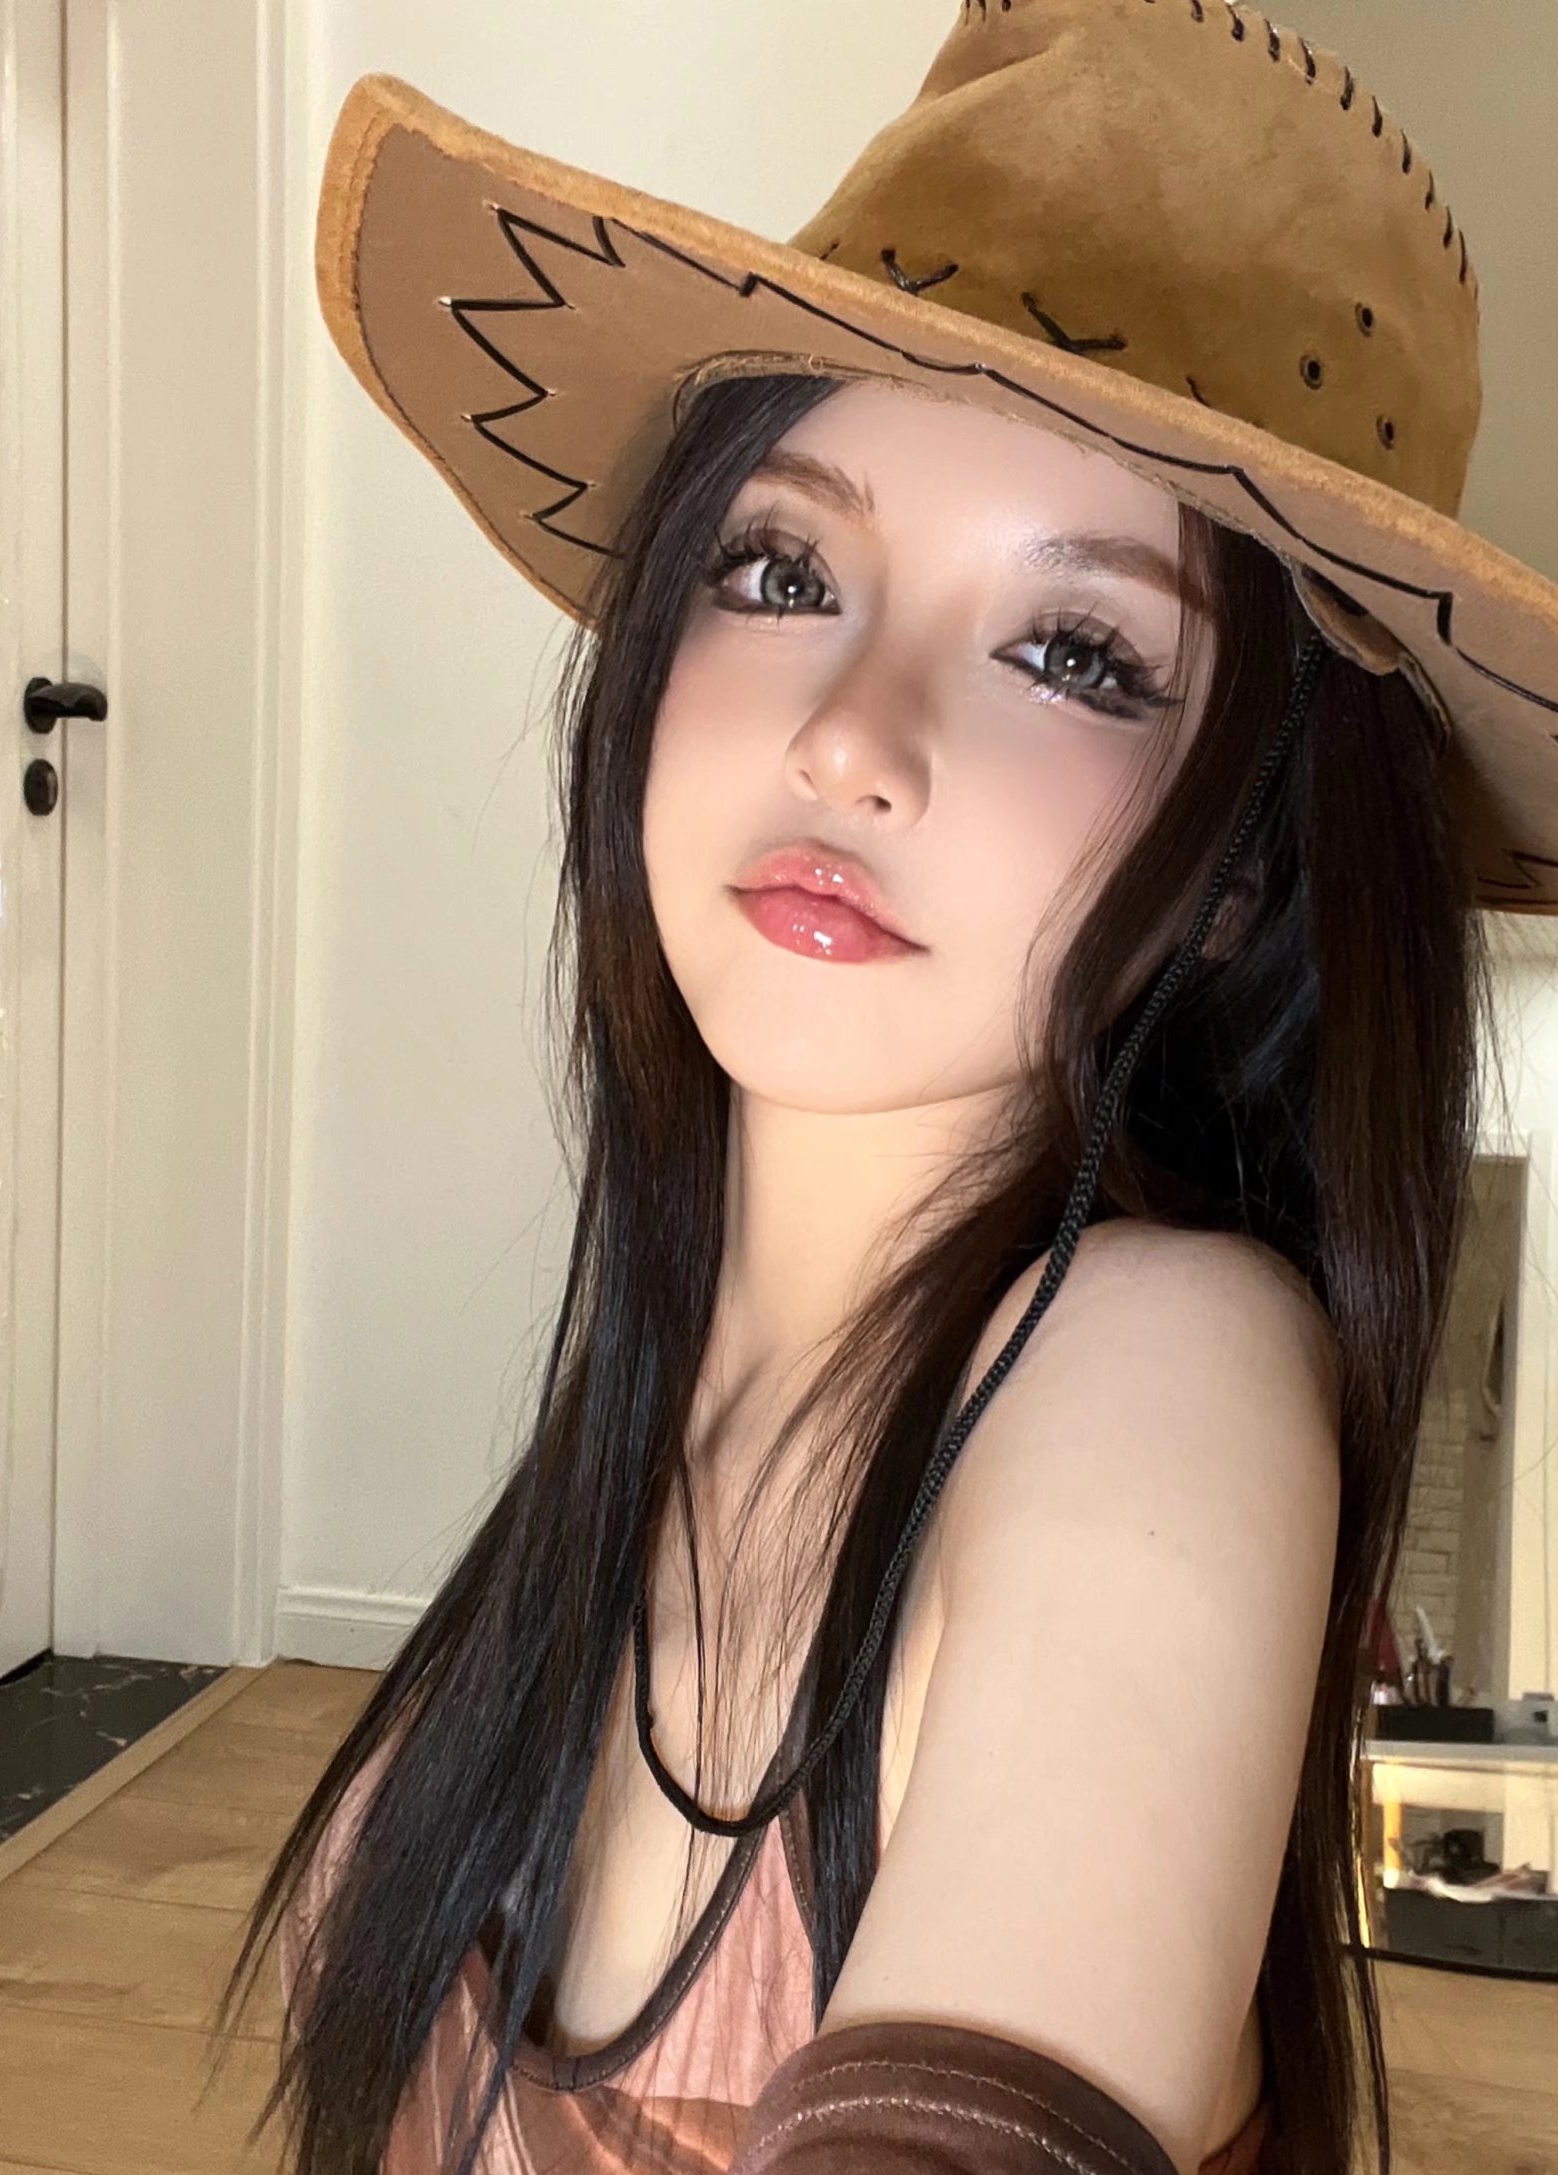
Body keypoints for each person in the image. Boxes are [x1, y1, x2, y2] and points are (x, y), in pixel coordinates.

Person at [214, 5, 1558, 2173]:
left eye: (1076, 652)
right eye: (782, 569)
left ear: (1245, 869)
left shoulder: (1157, 1374)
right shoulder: (670, 1392)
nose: (847, 734)